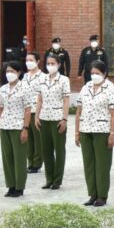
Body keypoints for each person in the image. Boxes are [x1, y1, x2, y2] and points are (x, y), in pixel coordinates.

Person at [76, 60, 114, 208]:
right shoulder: (86, 87)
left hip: (102, 130)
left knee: (102, 164)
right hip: (85, 129)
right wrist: (77, 132)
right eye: (92, 73)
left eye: (97, 73)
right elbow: (78, 111)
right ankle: (92, 194)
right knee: (88, 163)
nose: (94, 75)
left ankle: (102, 195)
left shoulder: (110, 88)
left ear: (104, 74)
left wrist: (112, 134)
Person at [0, 61, 32, 197]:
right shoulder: (3, 88)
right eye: (7, 71)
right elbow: (0, 108)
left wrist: (25, 129)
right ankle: (11, 185)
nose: (9, 74)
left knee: (19, 158)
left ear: (19, 73)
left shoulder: (25, 88)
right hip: (5, 126)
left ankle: (19, 187)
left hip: (18, 126)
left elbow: (28, 110)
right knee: (7, 158)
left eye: (12, 71)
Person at [35, 53, 71, 190]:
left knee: (59, 150)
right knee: (46, 150)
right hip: (44, 117)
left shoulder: (64, 80)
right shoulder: (42, 79)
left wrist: (64, 118)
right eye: (48, 63)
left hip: (57, 118)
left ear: (59, 65)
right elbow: (40, 99)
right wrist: (36, 116)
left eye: (53, 63)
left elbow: (66, 100)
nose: (50, 66)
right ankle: (49, 179)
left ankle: (57, 180)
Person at [22, 51, 45, 173]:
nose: (28, 62)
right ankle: (30, 162)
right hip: (26, 110)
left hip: (37, 111)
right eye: (27, 60)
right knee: (28, 138)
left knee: (38, 139)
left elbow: (43, 96)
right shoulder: (25, 76)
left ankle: (37, 163)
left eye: (31, 60)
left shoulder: (43, 77)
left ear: (38, 61)